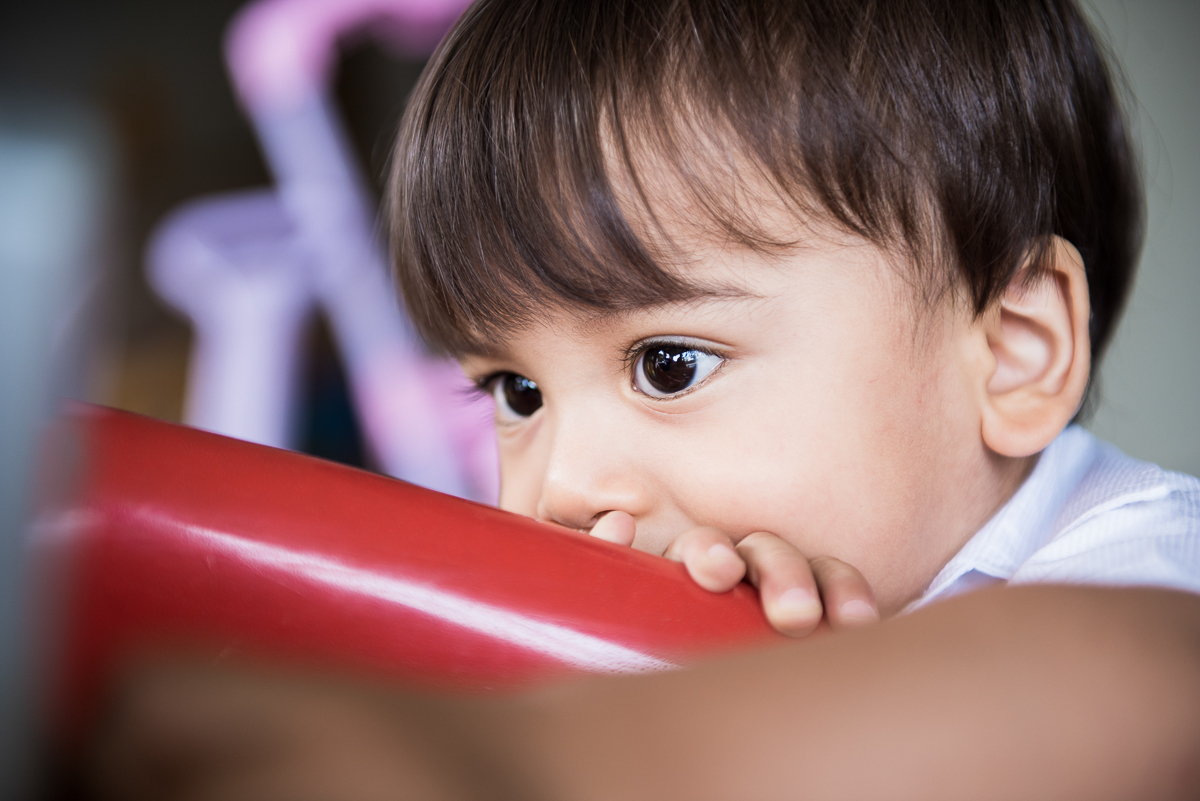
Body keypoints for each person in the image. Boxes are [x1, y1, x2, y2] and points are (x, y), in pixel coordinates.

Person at [91, 0, 1200, 798]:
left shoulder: (1134, 559)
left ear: (1013, 353)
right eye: (516, 393)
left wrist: (540, 764)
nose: (561, 485)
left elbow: (1150, 680)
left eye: (669, 365)